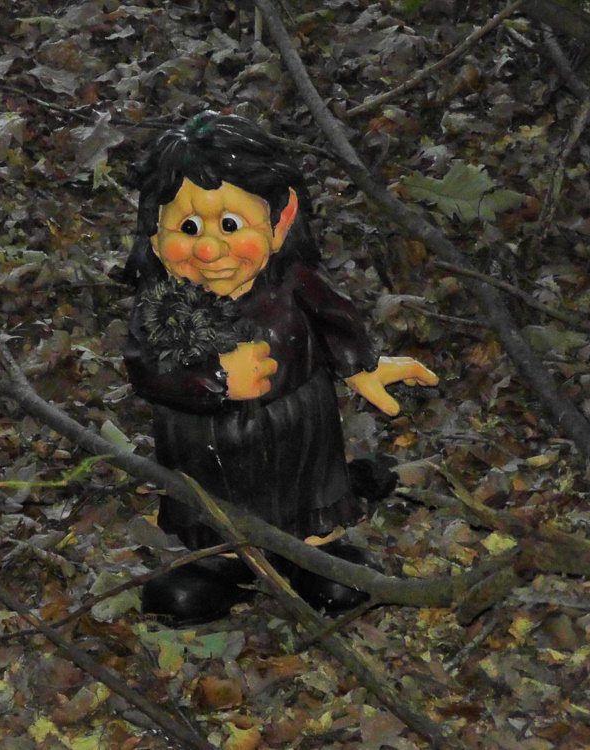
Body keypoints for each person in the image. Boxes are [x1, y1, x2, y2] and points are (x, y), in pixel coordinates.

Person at [124, 112, 438, 625]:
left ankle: (315, 552)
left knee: (308, 498)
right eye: (187, 227)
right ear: (155, 236)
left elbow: (336, 320)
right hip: (204, 448)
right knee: (215, 512)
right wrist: (216, 381)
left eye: (231, 225)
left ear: (281, 221)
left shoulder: (293, 285)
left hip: (300, 434)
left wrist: (361, 367)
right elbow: (147, 370)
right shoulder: (162, 308)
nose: (210, 249)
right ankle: (222, 561)